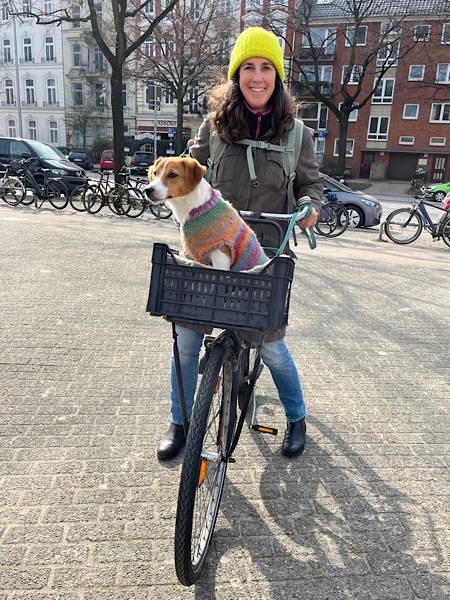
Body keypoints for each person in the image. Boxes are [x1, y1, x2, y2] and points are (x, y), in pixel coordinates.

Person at [157, 27, 323, 461]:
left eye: (266, 67)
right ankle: (181, 422)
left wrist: (309, 207)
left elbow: (311, 186)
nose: (257, 76)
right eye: (248, 67)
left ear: (277, 77)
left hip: (261, 259)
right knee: (186, 342)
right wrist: (169, 191)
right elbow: (190, 169)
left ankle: (296, 417)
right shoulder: (214, 128)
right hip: (209, 252)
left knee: (271, 347)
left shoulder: (297, 135)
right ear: (236, 76)